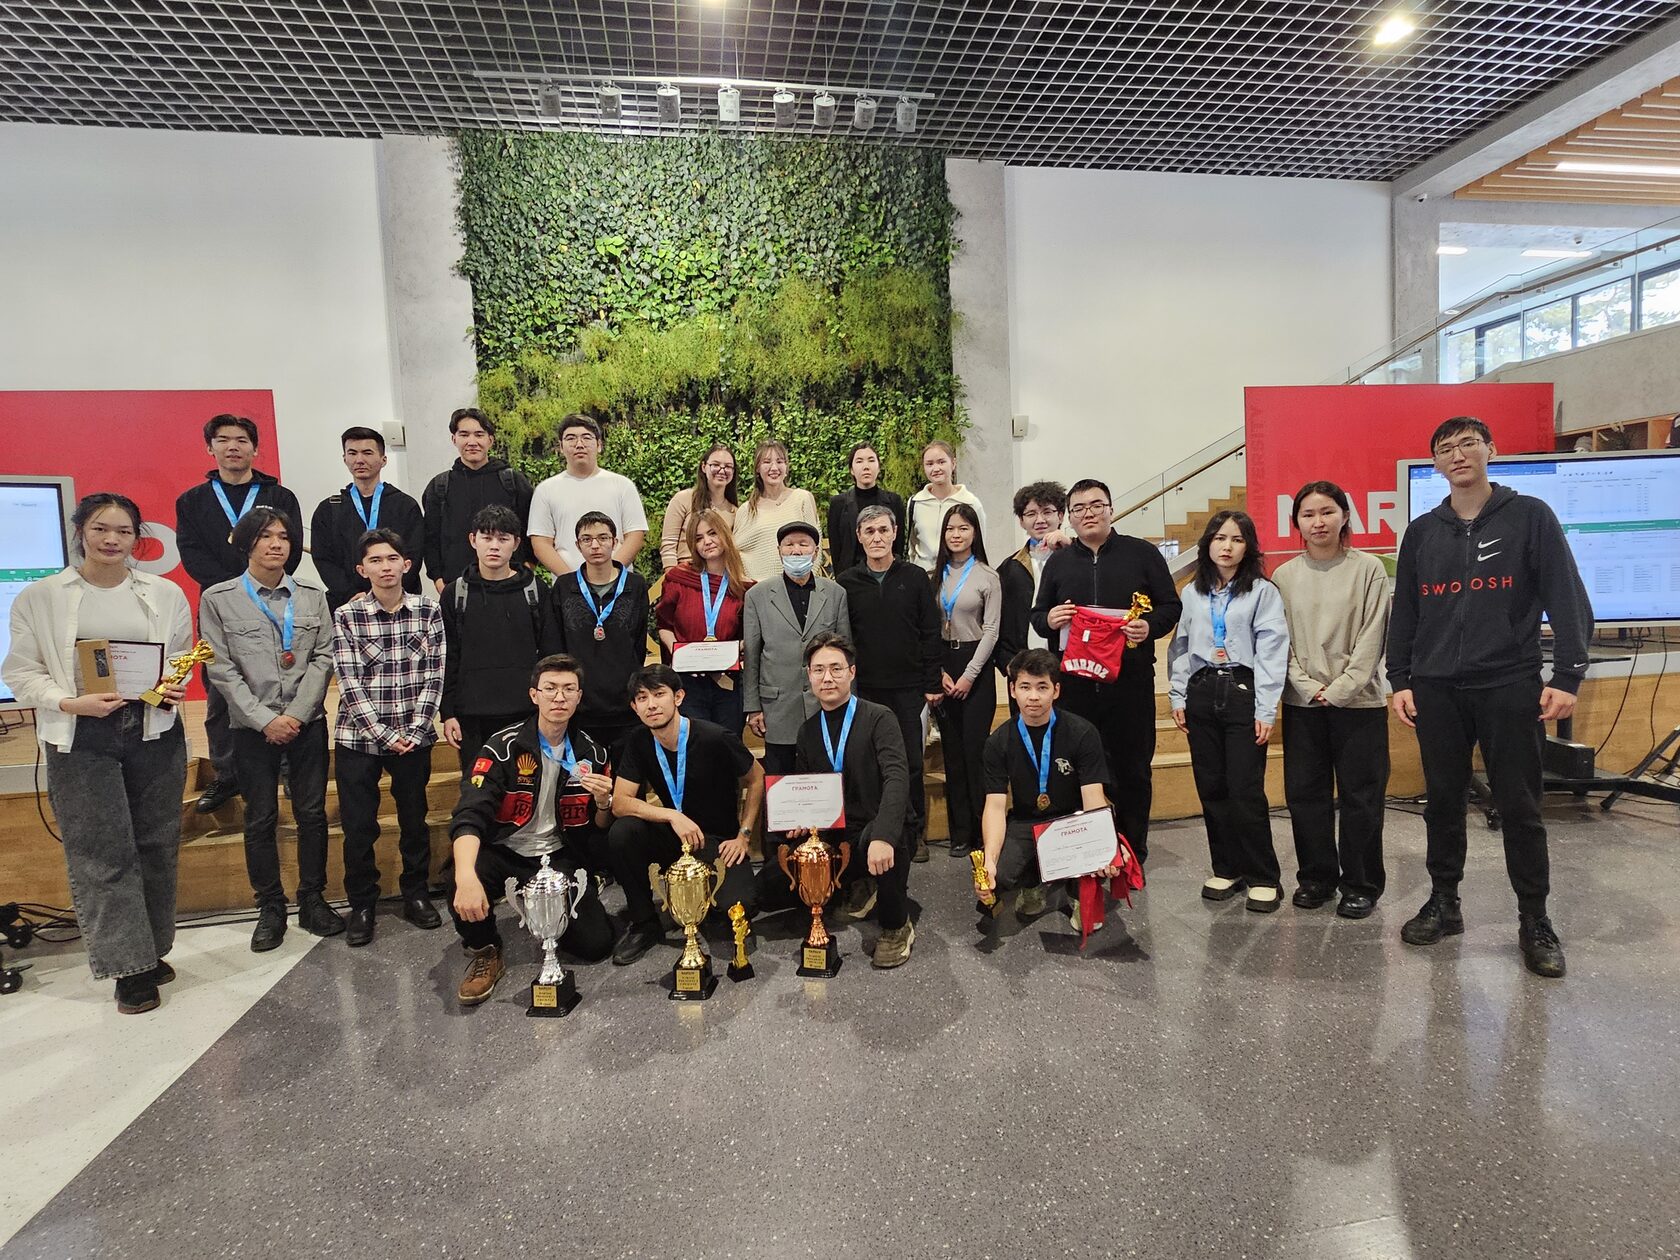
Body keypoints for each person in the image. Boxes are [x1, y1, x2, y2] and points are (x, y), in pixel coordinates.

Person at [1387, 415, 1592, 979]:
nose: (1458, 455)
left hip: (1508, 683)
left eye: (1468, 444)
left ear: (1490, 450)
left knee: (1521, 806)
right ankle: (1444, 901)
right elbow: (1406, 611)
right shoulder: (1423, 532)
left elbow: (1567, 596)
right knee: (1443, 802)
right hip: (1436, 689)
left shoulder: (1530, 516)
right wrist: (1400, 678)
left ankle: (1534, 919)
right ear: (1436, 463)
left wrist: (1568, 675)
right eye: (1445, 449)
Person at [1, 493, 192, 1014]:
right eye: (101, 529)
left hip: (153, 729)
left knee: (157, 844)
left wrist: (171, 685)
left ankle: (149, 950)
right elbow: (20, 671)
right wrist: (68, 702)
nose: (112, 540)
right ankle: (127, 968)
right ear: (80, 531)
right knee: (103, 852)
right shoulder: (42, 597)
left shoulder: (163, 592)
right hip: (81, 734)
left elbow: (178, 654)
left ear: (137, 538)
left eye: (124, 531)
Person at [200, 506, 342, 951]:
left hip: (306, 723)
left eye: (283, 536)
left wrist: (296, 715)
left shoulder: (312, 596)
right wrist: (265, 719)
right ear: (247, 543)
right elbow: (220, 668)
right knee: (260, 817)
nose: (276, 544)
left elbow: (324, 657)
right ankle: (270, 906)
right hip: (251, 728)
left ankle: (313, 898)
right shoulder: (219, 598)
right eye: (266, 536)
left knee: (312, 814)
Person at [446, 654, 618, 1005]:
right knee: (460, 876)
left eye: (568, 689)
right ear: (534, 695)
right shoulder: (502, 747)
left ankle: (552, 915)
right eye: (550, 688)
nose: (559, 697)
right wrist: (465, 877)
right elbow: (469, 814)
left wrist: (604, 803)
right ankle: (484, 948)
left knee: (596, 945)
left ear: (579, 697)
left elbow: (598, 829)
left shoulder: (593, 753)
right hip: (504, 850)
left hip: (558, 855)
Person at [1032, 478, 1182, 865]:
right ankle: (1084, 852)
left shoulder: (1142, 554)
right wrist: (1049, 619)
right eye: (1079, 508)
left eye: (1096, 505)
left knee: (1133, 770)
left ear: (1111, 509)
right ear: (1069, 517)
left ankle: (1132, 851)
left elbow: (1170, 606)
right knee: (1077, 768)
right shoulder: (1059, 562)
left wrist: (1149, 626)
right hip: (1076, 687)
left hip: (1129, 683)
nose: (1088, 514)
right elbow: (1038, 615)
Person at [747, 634, 915, 968]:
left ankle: (897, 925)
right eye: (819, 669)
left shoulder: (879, 718)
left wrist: (884, 835)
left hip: (878, 829)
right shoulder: (808, 731)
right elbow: (805, 793)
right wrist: (799, 825)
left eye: (836, 668)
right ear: (809, 676)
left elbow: (897, 779)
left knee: (882, 842)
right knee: (763, 891)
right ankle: (858, 883)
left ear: (852, 672)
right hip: (834, 836)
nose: (827, 678)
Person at [1272, 480, 1391, 919]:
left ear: (1344, 516)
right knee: (1306, 795)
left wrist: (1341, 689)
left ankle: (1361, 884)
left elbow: (1374, 635)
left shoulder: (1369, 569)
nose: (1318, 522)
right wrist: (1307, 687)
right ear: (1296, 523)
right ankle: (1316, 878)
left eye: (1327, 512)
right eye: (1308, 514)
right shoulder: (1283, 576)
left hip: (1360, 704)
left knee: (1362, 797)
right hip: (1303, 704)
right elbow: (1278, 643)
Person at [174, 413, 303, 815]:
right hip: (219, 605)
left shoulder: (279, 497)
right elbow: (192, 553)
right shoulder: (192, 501)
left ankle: (286, 768)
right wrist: (234, 591)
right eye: (224, 440)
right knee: (220, 689)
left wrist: (257, 586)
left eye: (242, 440)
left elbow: (291, 550)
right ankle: (227, 774)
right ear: (209, 447)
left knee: (280, 683)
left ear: (255, 449)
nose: (233, 447)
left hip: (274, 601)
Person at [1169, 510, 1289, 912]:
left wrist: (1266, 708)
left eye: (1237, 539)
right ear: (1207, 544)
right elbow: (1181, 646)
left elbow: (1272, 651)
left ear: (1248, 547)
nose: (1227, 546)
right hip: (1202, 689)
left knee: (1244, 788)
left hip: (1242, 689)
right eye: (1220, 538)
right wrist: (1178, 696)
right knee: (1212, 786)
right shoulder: (1193, 592)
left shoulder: (1262, 592)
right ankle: (1227, 868)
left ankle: (1263, 876)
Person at [606, 664, 765, 965]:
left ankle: (704, 901)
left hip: (718, 841)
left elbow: (757, 778)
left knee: (740, 906)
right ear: (634, 707)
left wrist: (743, 835)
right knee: (623, 832)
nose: (651, 705)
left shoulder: (715, 736)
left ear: (678, 697)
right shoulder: (638, 741)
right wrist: (671, 815)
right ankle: (644, 923)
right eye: (642, 698)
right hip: (673, 837)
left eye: (659, 694)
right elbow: (621, 802)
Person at [332, 527, 446, 947]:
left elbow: (435, 674)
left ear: (406, 564)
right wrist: (382, 734)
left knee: (414, 820)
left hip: (414, 737)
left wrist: (415, 730)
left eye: (392, 559)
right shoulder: (347, 615)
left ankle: (416, 893)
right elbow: (347, 680)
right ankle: (362, 904)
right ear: (362, 569)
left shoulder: (427, 611)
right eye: (375, 561)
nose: (385, 567)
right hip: (359, 738)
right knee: (359, 827)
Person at [979, 650, 1115, 927]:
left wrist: (1105, 847)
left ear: (1056, 690)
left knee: (1099, 850)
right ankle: (1031, 885)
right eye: (1025, 687)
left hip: (1073, 819)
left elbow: (1093, 797)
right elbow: (994, 806)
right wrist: (989, 860)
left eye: (1042, 687)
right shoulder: (998, 742)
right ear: (1012, 690)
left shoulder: (1082, 732)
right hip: (1026, 819)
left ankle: (1079, 893)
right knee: (1000, 874)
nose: (1033, 696)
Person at [838, 504, 942, 863]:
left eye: (883, 530)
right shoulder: (846, 583)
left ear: (895, 533)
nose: (877, 537)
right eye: (869, 531)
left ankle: (914, 833)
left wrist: (931, 682)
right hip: (865, 690)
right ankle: (874, 832)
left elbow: (930, 631)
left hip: (909, 688)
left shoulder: (915, 577)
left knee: (910, 763)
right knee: (869, 764)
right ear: (859, 537)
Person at [440, 505, 563, 776]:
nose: (494, 546)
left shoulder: (535, 590)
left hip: (525, 711)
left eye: (503, 538)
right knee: (476, 787)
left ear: (516, 543)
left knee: (524, 784)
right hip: (472, 715)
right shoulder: (455, 594)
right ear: (473, 540)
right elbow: (448, 656)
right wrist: (448, 712)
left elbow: (551, 654)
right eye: (486, 538)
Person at [742, 520, 849, 775]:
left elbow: (846, 652)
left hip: (825, 703)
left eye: (804, 544)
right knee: (780, 779)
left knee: (826, 777)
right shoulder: (757, 595)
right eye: (789, 545)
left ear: (816, 551)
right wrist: (753, 707)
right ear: (779, 551)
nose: (796, 551)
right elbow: (753, 655)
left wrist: (848, 702)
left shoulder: (835, 593)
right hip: (777, 707)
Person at [930, 502, 1001, 859]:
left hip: (976, 666)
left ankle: (981, 830)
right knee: (953, 755)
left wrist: (969, 675)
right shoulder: (933, 576)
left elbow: (992, 630)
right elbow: (927, 629)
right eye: (950, 529)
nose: (956, 535)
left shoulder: (988, 576)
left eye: (963, 528)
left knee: (975, 753)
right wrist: (938, 673)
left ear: (975, 532)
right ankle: (959, 833)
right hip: (943, 662)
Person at [551, 510, 650, 757]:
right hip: (580, 705)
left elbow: (638, 643)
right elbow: (556, 646)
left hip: (624, 704)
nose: (595, 545)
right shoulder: (564, 586)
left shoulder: (635, 585)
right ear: (578, 545)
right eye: (587, 539)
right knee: (584, 774)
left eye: (603, 538)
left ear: (615, 542)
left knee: (627, 774)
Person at [656, 508, 752, 734]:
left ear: (724, 534)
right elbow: (664, 626)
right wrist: (683, 654)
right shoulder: (678, 579)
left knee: (727, 744)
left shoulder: (745, 588)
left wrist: (734, 650)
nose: (707, 542)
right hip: (687, 682)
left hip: (727, 682)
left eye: (712, 533)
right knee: (694, 743)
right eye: (698, 538)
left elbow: (750, 636)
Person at [309, 426, 424, 610]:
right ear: (344, 459)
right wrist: (349, 593)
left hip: (399, 602)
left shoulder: (405, 505)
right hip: (348, 603)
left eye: (367, 453)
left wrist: (387, 592)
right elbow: (323, 559)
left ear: (383, 459)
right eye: (352, 453)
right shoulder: (328, 509)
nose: (360, 460)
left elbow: (414, 554)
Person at [421, 407, 535, 591]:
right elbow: (431, 538)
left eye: (479, 435)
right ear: (454, 439)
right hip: (456, 586)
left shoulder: (513, 482)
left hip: (510, 585)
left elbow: (531, 529)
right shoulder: (440, 486)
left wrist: (528, 567)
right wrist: (438, 580)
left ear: (490, 440)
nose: (472, 442)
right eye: (464, 435)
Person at [527, 414, 647, 575]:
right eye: (571, 438)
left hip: (618, 582)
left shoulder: (622, 485)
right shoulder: (545, 490)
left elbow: (635, 536)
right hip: (567, 583)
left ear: (599, 445)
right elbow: (541, 543)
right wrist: (572, 581)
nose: (579, 444)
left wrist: (610, 574)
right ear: (561, 447)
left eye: (586, 438)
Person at [993, 481, 1069, 679]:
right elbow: (999, 621)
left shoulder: (1078, 558)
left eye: (1047, 512)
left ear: (1061, 515)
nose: (1040, 520)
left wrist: (1070, 550)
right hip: (1022, 665)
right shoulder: (1009, 568)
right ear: (1021, 521)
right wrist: (1006, 662)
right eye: (1031, 514)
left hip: (1070, 663)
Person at [732, 439, 821, 583]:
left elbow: (816, 546)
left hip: (798, 586)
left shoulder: (802, 499)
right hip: (758, 589)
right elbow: (735, 552)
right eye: (767, 462)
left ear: (786, 467)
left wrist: (805, 583)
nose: (774, 468)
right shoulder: (746, 510)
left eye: (779, 461)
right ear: (757, 468)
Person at [905, 440, 988, 573]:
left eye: (941, 462)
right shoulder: (916, 502)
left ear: (953, 463)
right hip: (923, 576)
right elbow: (912, 544)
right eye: (929, 464)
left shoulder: (970, 503)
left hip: (957, 574)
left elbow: (979, 544)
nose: (936, 468)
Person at [826, 442, 905, 576]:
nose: (866, 466)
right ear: (851, 469)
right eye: (859, 461)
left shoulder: (894, 501)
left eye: (871, 460)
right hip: (850, 576)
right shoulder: (838, 504)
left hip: (887, 574)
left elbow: (898, 545)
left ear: (878, 467)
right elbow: (836, 548)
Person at [660, 444, 738, 569]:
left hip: (717, 576)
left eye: (728, 466)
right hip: (684, 572)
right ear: (703, 467)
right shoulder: (683, 499)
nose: (722, 470)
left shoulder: (735, 512)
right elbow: (668, 545)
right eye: (715, 465)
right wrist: (672, 575)